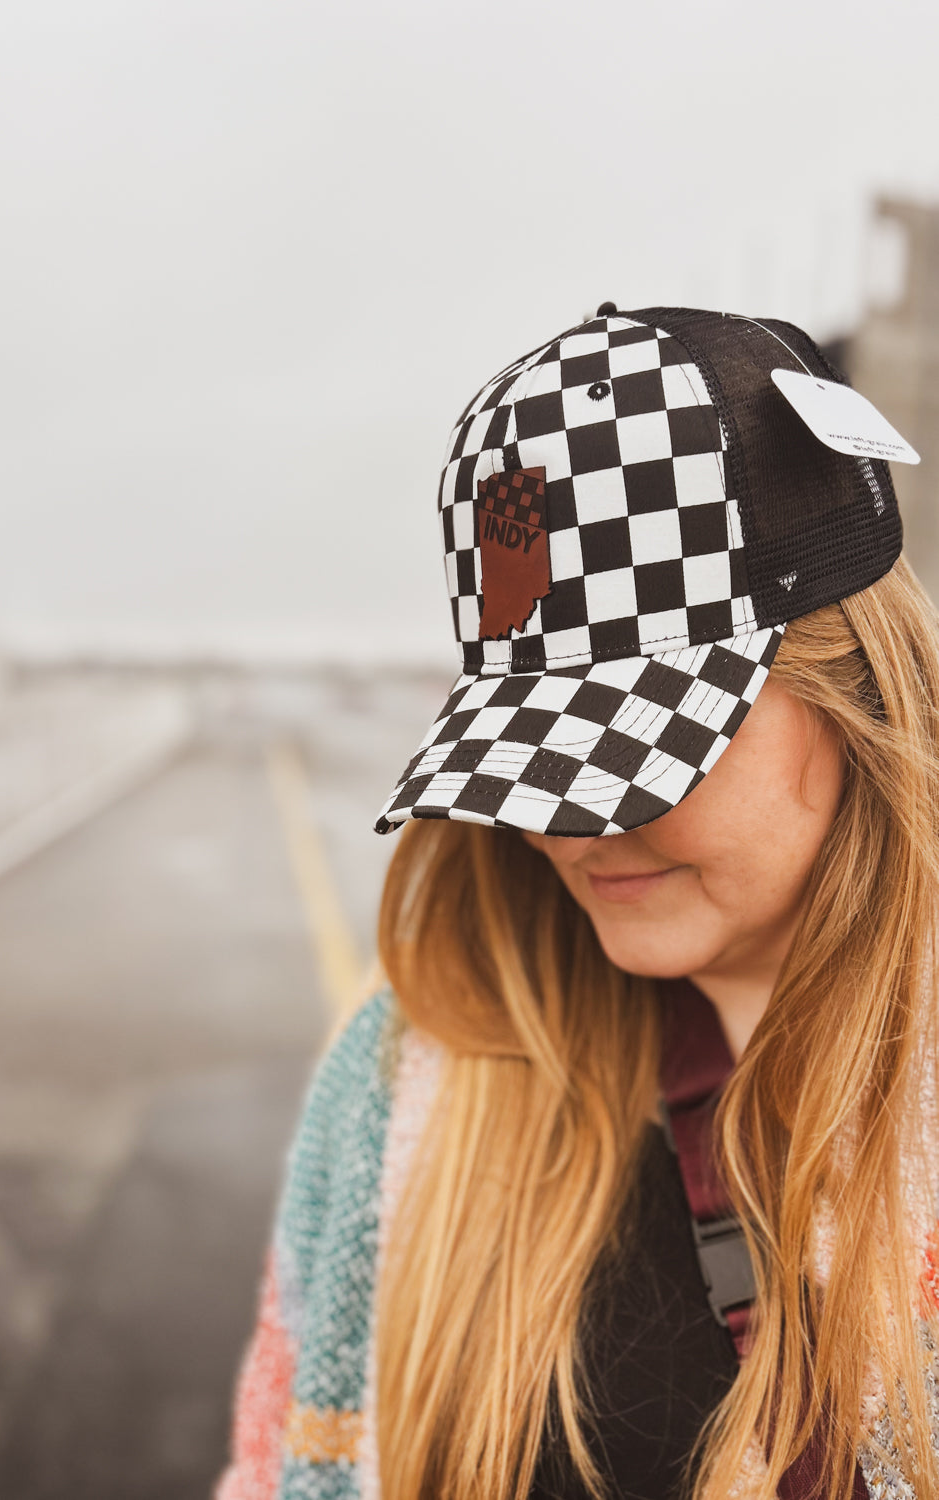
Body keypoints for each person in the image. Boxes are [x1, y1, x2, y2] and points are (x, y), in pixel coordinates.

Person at [215, 307, 939, 1500]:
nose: (563, 822)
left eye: (638, 750)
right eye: (532, 758)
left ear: (852, 676)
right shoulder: (397, 1079)